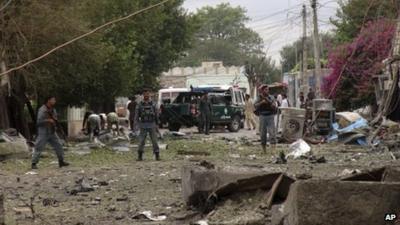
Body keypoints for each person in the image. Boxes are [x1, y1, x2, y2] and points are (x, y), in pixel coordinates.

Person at [31, 96, 69, 169]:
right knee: (39, 147)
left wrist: (55, 124)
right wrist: (48, 120)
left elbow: (55, 119)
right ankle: (34, 163)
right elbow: (38, 122)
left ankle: (61, 161)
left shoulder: (53, 110)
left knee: (59, 146)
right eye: (53, 100)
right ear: (48, 100)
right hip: (43, 132)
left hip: (52, 132)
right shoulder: (42, 110)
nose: (54, 101)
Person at [134, 89, 160, 161]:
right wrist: (136, 125)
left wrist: (157, 124)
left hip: (152, 124)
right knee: (141, 141)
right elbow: (136, 116)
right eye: (145, 94)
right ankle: (140, 156)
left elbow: (156, 114)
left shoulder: (153, 104)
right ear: (143, 95)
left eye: (147, 94)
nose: (146, 95)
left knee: (154, 141)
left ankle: (157, 155)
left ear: (149, 95)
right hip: (143, 125)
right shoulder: (139, 105)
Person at [254, 85, 277, 153]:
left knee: (272, 132)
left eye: (268, 89)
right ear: (262, 90)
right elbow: (255, 105)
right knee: (262, 133)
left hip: (270, 116)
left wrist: (267, 100)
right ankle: (264, 150)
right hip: (262, 116)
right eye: (266, 89)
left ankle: (273, 150)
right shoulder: (259, 98)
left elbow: (274, 106)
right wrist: (262, 102)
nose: (267, 91)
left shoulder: (271, 97)